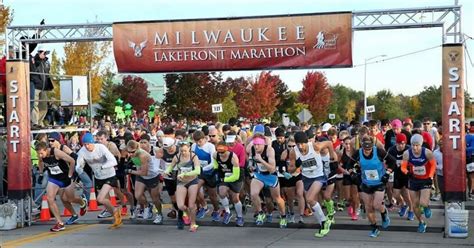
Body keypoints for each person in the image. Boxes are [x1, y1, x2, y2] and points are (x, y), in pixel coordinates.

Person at [289, 131, 336, 237]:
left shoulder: (315, 146)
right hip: (306, 177)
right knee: (311, 203)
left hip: (319, 175)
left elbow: (329, 143)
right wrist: (296, 165)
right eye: (298, 144)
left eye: (302, 144)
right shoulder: (294, 152)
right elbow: (290, 170)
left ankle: (324, 223)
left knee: (309, 198)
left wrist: (332, 156)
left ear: (306, 142)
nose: (300, 146)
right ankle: (324, 221)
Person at [350, 135, 397, 238]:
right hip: (365, 183)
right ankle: (374, 228)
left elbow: (393, 162)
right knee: (368, 207)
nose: (367, 151)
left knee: (376, 205)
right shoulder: (358, 153)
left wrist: (387, 173)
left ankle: (384, 213)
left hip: (379, 183)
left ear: (372, 147)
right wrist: (352, 174)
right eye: (365, 149)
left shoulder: (379, 152)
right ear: (362, 147)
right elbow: (349, 164)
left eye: (369, 149)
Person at [36, 142, 87, 232]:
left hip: (66, 178)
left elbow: (72, 161)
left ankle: (82, 202)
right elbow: (40, 162)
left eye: (41, 153)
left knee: (69, 199)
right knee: (50, 198)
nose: (40, 155)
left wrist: (70, 175)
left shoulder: (55, 152)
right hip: (54, 179)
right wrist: (40, 174)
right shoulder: (40, 156)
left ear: (46, 150)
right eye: (38, 154)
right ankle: (60, 223)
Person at [75, 133, 123, 229]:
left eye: (88, 144)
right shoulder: (82, 151)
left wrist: (102, 166)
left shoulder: (100, 148)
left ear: (93, 142)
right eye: (84, 144)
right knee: (104, 201)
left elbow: (113, 161)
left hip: (109, 175)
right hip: (98, 177)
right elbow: (79, 164)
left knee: (100, 199)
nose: (87, 146)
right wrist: (78, 169)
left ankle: (116, 211)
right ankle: (115, 213)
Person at [247, 132, 287, 228]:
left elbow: (272, 169)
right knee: (253, 194)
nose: (256, 147)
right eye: (255, 144)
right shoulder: (252, 149)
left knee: (277, 199)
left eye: (258, 145)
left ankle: (283, 216)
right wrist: (251, 167)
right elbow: (250, 160)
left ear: (263, 144)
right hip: (259, 175)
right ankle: (260, 213)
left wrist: (261, 160)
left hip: (271, 176)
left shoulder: (269, 150)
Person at [401, 134, 437, 233]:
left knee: (423, 202)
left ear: (421, 145)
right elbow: (403, 167)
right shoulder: (407, 153)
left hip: (425, 179)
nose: (414, 147)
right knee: (415, 205)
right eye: (413, 145)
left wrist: (430, 176)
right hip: (414, 179)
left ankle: (426, 206)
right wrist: (407, 172)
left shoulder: (427, 153)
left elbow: (433, 165)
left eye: (417, 145)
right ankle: (421, 222)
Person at [165, 141, 201, 232]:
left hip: (192, 181)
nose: (183, 153)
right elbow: (171, 166)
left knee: (191, 204)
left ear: (189, 148)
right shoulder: (177, 156)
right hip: (181, 182)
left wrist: (185, 174)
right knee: (180, 205)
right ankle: (188, 214)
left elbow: (197, 171)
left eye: (185, 150)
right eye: (181, 151)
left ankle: (193, 223)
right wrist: (166, 171)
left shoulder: (193, 156)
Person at [125, 140, 163, 224]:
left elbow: (144, 172)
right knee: (138, 195)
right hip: (141, 176)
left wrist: (130, 171)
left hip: (152, 176)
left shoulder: (143, 155)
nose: (130, 154)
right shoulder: (133, 155)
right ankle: (147, 205)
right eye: (129, 152)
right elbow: (139, 168)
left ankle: (159, 214)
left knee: (155, 199)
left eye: (132, 152)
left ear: (137, 149)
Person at [214, 141, 245, 226]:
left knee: (235, 198)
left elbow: (235, 176)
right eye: (218, 151)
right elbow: (215, 165)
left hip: (236, 177)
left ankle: (239, 216)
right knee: (222, 192)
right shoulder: (215, 155)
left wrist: (225, 178)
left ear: (227, 149)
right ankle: (227, 212)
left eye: (222, 152)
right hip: (225, 176)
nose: (220, 154)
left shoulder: (233, 158)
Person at [191, 131, 220, 221]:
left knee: (213, 196)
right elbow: (192, 159)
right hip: (199, 173)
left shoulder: (210, 147)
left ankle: (216, 210)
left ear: (204, 139)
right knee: (194, 190)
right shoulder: (193, 146)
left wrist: (202, 169)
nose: (198, 143)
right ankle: (204, 206)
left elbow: (212, 163)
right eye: (196, 141)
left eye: (200, 141)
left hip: (210, 172)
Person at [387, 133, 414, 221]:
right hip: (397, 173)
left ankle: (411, 210)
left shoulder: (409, 149)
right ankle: (403, 205)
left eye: (403, 143)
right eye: (399, 143)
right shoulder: (392, 150)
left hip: (407, 174)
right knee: (396, 194)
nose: (401, 145)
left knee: (406, 193)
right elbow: (387, 162)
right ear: (396, 143)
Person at [30, 46, 54, 128]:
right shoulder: (34, 60)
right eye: (44, 53)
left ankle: (38, 122)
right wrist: (38, 58)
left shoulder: (46, 62)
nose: (46, 55)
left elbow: (47, 73)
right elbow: (33, 68)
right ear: (40, 52)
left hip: (44, 87)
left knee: (44, 107)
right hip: (36, 85)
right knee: (35, 105)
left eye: (46, 53)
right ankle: (35, 122)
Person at [339, 136, 360, 221]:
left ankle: (355, 212)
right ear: (343, 144)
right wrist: (343, 170)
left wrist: (355, 169)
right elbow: (338, 165)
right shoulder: (340, 152)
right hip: (346, 176)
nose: (348, 146)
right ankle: (352, 205)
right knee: (347, 197)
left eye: (349, 144)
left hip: (355, 176)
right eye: (346, 144)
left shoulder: (356, 152)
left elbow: (360, 164)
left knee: (355, 195)